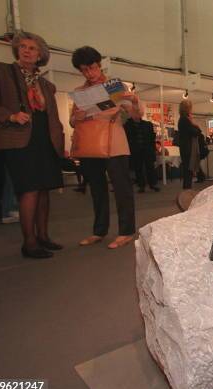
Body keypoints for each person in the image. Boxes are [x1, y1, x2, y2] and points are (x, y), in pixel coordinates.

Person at [0, 31, 65, 258]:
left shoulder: (46, 84)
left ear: (40, 55)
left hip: (45, 138)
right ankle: (29, 243)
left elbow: (53, 117)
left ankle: (43, 236)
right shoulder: (0, 70)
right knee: (29, 190)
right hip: (19, 138)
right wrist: (10, 116)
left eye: (32, 48)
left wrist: (60, 143)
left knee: (45, 188)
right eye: (23, 46)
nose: (27, 50)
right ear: (17, 50)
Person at [70, 46, 139, 249]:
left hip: (114, 142)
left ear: (99, 65)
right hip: (90, 144)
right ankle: (99, 231)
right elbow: (73, 121)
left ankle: (126, 231)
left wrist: (134, 100)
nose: (89, 73)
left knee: (121, 188)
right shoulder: (79, 92)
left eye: (91, 68)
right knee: (97, 189)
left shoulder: (114, 87)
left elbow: (136, 116)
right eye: (84, 70)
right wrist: (77, 117)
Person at [124, 112, 159, 193]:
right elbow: (128, 139)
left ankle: (152, 184)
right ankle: (141, 185)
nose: (137, 115)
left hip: (147, 150)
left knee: (150, 167)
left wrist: (153, 150)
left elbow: (151, 138)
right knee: (138, 168)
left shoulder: (147, 124)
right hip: (136, 151)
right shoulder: (128, 125)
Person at [177, 99, 200, 189]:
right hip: (188, 148)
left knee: (188, 170)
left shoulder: (182, 120)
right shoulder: (185, 120)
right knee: (188, 170)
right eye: (190, 107)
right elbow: (196, 133)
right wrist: (195, 125)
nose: (192, 109)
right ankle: (187, 190)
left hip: (185, 147)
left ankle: (186, 189)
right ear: (187, 109)